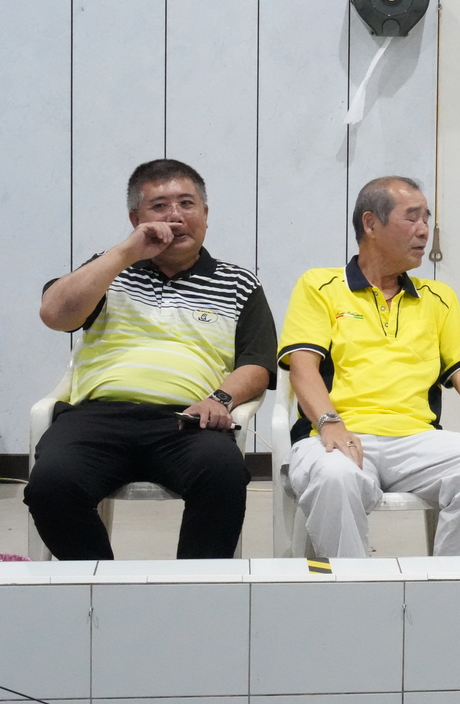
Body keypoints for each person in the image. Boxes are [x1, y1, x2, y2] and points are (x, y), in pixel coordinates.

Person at [26, 159, 275, 560]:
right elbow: (55, 315)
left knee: (223, 475)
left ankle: (192, 589)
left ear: (205, 214)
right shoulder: (110, 269)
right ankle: (102, 586)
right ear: (136, 219)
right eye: (159, 206)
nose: (175, 216)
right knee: (51, 484)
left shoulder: (238, 283)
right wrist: (126, 252)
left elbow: (257, 362)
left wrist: (220, 399)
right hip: (99, 416)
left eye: (187, 204)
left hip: (188, 420)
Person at [279, 177, 460, 557]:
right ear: (371, 224)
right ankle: (355, 585)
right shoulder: (320, 286)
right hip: (338, 431)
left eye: (427, 218)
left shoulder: (439, 297)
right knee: (334, 476)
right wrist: (330, 423)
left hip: (418, 439)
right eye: (412, 217)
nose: (424, 230)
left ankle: (447, 584)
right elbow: (302, 369)